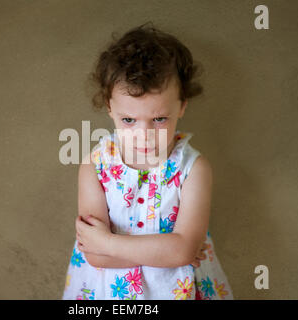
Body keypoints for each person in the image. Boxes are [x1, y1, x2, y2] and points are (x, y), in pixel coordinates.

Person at [62, 22, 233, 300]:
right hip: (110, 293)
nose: (144, 136)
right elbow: (95, 255)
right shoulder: (95, 166)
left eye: (159, 119)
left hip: (178, 291)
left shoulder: (193, 170)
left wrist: (109, 243)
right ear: (109, 107)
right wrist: (169, 252)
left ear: (182, 106)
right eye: (128, 120)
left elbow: (182, 252)